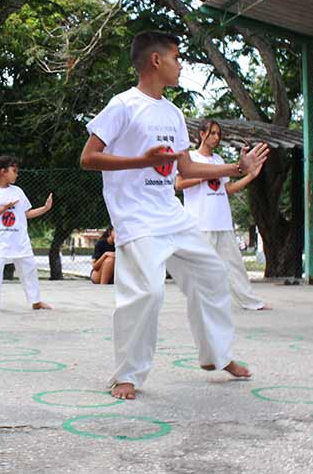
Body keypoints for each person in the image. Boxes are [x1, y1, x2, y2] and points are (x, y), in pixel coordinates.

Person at [80, 31, 268, 400]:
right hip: (135, 217)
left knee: (213, 274)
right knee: (147, 292)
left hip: (171, 213)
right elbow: (88, 158)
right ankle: (126, 375)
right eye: (176, 58)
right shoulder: (123, 106)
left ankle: (216, 355)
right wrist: (142, 161)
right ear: (156, 60)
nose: (181, 66)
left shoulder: (173, 113)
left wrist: (236, 168)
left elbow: (187, 168)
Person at [176, 119, 271, 310]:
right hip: (200, 222)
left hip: (222, 221)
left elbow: (227, 189)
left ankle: (250, 302)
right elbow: (179, 184)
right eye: (212, 133)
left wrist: (250, 176)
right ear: (202, 134)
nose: (216, 137)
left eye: (218, 134)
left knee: (234, 266)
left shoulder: (219, 160)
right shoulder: (191, 158)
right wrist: (206, 175)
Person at [0, 156, 54, 313]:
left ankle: (35, 301)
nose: (17, 174)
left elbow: (26, 213)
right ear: (3, 172)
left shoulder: (18, 191)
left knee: (29, 268)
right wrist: (3, 208)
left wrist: (45, 208)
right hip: (0, 240)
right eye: (14, 171)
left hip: (20, 240)